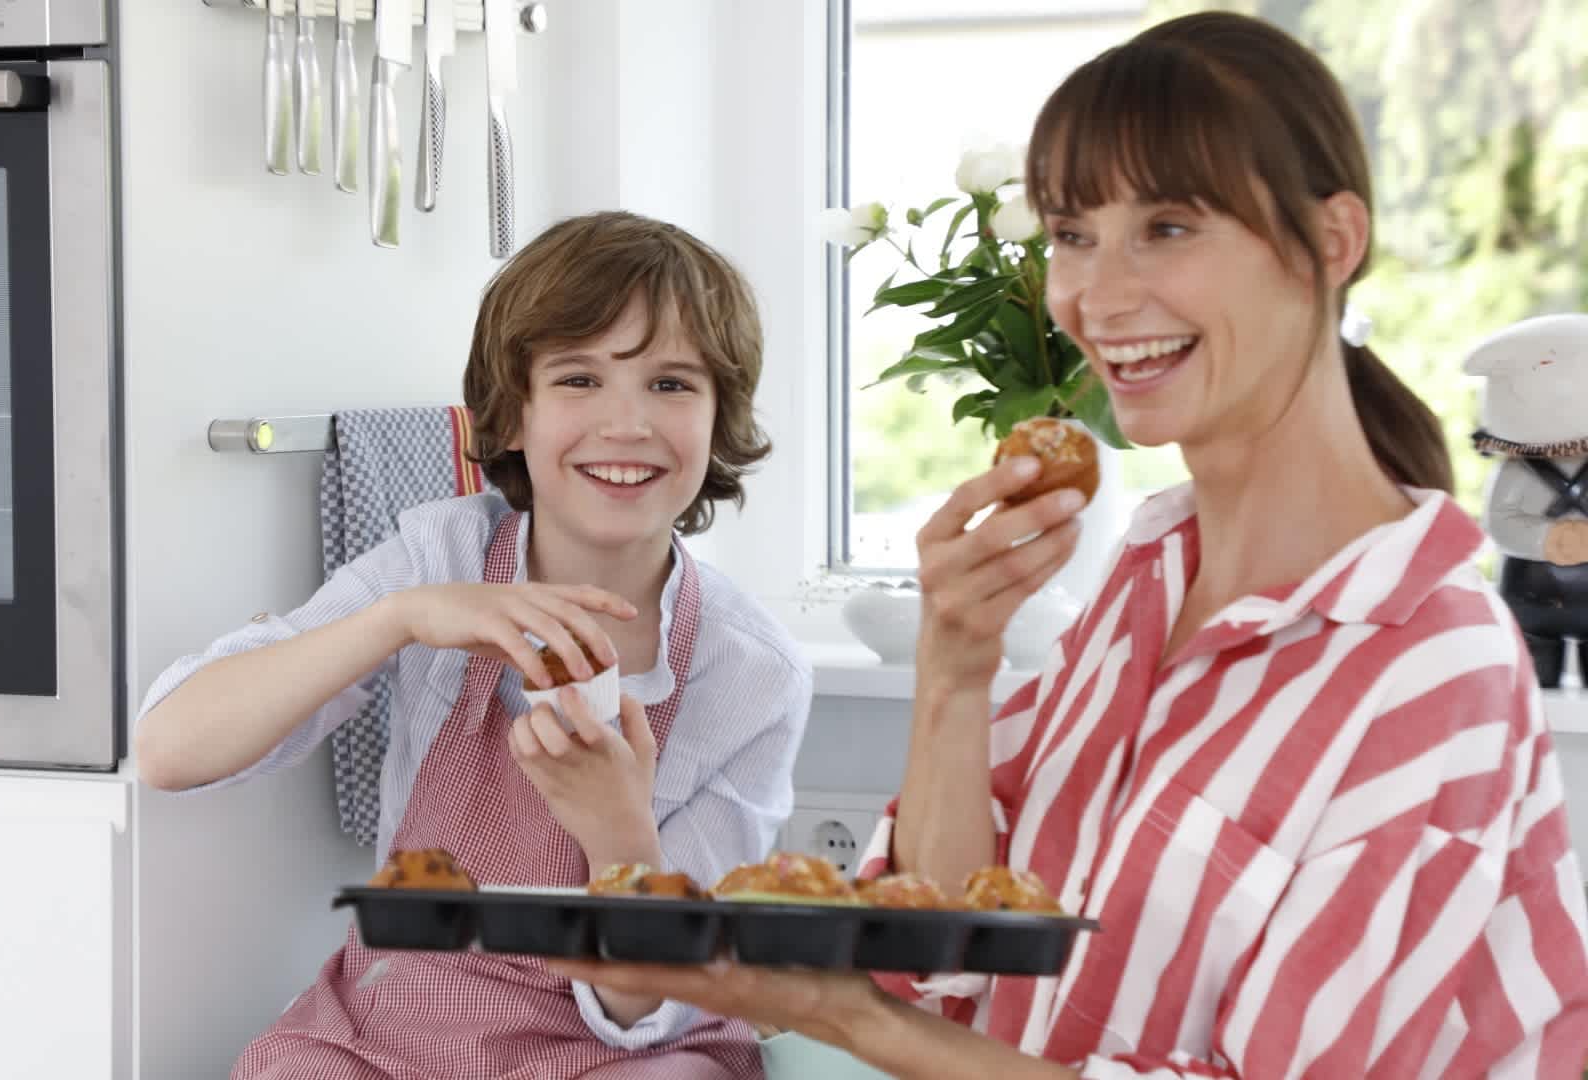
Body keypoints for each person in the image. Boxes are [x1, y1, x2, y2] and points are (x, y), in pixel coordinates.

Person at [555, 13, 1588, 1078]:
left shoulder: (1433, 666)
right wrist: (956, 665)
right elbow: (948, 950)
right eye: (1072, 234)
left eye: (1170, 227)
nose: (1096, 294)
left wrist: (851, 1021)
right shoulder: (1146, 582)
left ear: (1333, 242)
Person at [134, 211, 813, 1079]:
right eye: (579, 378)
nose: (627, 422)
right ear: (513, 414)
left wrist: (617, 831)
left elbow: (655, 999)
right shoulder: (435, 557)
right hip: (380, 1030)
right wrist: (396, 619)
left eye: (672, 384)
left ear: (720, 420)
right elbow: (168, 750)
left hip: (620, 1051)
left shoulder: (751, 672)